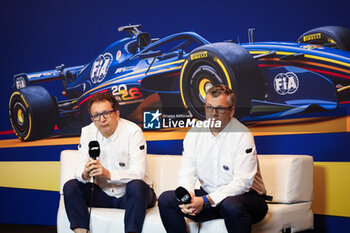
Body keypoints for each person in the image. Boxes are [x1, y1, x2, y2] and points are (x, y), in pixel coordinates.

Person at [158, 84, 268, 233]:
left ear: (231, 111)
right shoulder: (194, 133)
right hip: (210, 198)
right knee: (166, 199)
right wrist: (189, 197)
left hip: (246, 199)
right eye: (209, 107)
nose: (213, 113)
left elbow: (243, 183)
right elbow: (187, 173)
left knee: (231, 205)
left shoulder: (242, 134)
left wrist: (205, 200)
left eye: (220, 109)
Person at [63, 92, 156, 233]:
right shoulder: (87, 132)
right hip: (104, 195)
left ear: (117, 114)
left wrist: (108, 174)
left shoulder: (133, 132)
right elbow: (78, 171)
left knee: (136, 186)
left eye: (106, 113)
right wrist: (85, 173)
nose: (102, 119)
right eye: (96, 115)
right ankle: (81, 231)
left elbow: (139, 173)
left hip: (132, 196)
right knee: (70, 186)